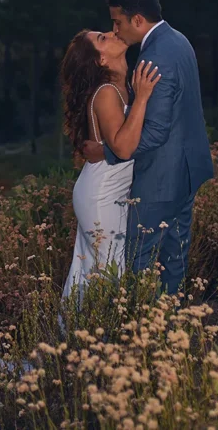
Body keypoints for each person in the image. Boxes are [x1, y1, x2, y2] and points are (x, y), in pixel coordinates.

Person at [81, 0, 214, 295]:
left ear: (137, 20)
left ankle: (145, 332)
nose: (115, 30)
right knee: (174, 256)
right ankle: (170, 324)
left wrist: (107, 152)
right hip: (186, 172)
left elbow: (155, 132)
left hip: (160, 178)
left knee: (140, 260)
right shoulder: (178, 41)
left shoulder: (153, 59)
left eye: (118, 22)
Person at [58, 28, 162, 301]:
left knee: (90, 270)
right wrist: (142, 98)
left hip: (107, 191)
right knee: (108, 271)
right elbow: (125, 147)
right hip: (101, 195)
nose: (111, 32)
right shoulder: (106, 92)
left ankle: (75, 338)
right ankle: (98, 337)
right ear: (100, 60)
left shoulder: (122, 88)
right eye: (102, 38)